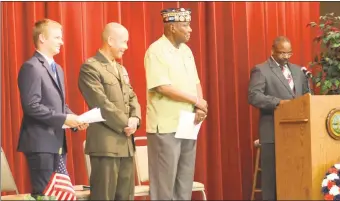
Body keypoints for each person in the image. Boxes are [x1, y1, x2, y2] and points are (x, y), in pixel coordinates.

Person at [17, 19, 88, 198]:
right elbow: (32, 106)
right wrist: (65, 119)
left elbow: (60, 105)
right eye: (57, 37)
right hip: (40, 144)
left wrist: (75, 120)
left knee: (60, 195)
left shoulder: (58, 68)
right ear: (42, 38)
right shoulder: (31, 67)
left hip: (57, 143)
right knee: (46, 196)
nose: (61, 42)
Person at [144, 8, 208, 200]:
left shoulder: (187, 51)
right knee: (165, 183)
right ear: (172, 27)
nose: (190, 30)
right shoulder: (156, 50)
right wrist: (196, 100)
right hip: (165, 125)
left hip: (188, 122)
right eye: (185, 25)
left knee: (184, 179)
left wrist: (200, 106)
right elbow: (162, 87)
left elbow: (196, 81)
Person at [78, 22, 141, 200]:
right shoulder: (91, 67)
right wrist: (125, 123)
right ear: (111, 40)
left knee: (126, 196)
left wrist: (135, 118)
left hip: (126, 144)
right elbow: (101, 104)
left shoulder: (121, 69)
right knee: (103, 196)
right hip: (105, 145)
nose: (126, 47)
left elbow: (132, 96)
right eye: (124, 42)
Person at [248, 36, 310, 200]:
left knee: (296, 174)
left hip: (299, 132)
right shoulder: (261, 70)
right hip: (272, 131)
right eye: (282, 53)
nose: (286, 57)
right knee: (271, 178)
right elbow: (254, 96)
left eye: (289, 53)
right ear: (272, 51)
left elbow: (305, 96)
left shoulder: (298, 71)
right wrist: (279, 103)